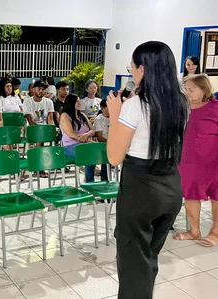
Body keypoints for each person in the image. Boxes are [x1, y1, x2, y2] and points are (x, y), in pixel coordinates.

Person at [106, 41, 188, 299]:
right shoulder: (181, 103)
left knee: (133, 263)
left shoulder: (135, 105)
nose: (131, 73)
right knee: (148, 258)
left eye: (132, 67)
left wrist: (115, 116)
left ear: (142, 69)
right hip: (171, 188)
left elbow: (114, 157)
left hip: (141, 191)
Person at [173, 74, 218, 246]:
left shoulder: (215, 107)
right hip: (187, 160)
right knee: (190, 194)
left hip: (213, 162)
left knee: (216, 195)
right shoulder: (183, 107)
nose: (188, 93)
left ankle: (215, 231)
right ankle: (194, 230)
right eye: (186, 89)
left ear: (204, 89)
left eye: (192, 89)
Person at [59, 94, 95, 181]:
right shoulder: (64, 116)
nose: (79, 103)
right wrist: (84, 140)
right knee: (88, 154)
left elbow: (93, 130)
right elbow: (71, 134)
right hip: (70, 145)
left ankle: (104, 177)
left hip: (86, 143)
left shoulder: (82, 115)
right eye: (77, 101)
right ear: (71, 103)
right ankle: (89, 182)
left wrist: (86, 135)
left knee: (102, 150)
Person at [88, 99, 110, 182]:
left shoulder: (115, 117)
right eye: (108, 107)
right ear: (102, 108)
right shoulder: (99, 119)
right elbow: (100, 137)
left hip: (111, 144)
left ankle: (106, 178)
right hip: (102, 144)